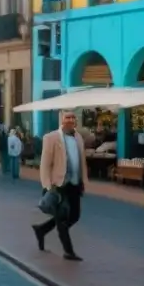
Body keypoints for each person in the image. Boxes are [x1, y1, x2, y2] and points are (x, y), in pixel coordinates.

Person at [35, 110, 88, 261]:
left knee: (75, 215)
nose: (70, 120)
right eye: (67, 118)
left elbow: (81, 161)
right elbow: (45, 164)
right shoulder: (51, 138)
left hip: (75, 184)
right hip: (59, 184)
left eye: (73, 117)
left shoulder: (78, 137)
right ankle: (68, 251)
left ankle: (42, 229)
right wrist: (47, 185)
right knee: (62, 219)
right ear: (62, 120)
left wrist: (82, 181)